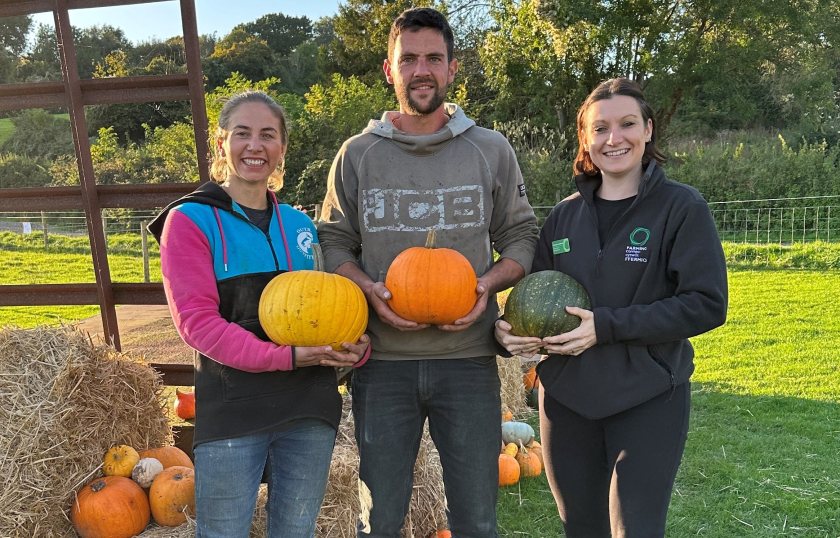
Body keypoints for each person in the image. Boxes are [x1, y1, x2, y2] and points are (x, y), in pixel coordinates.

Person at [317, 7, 539, 537]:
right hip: (381, 366)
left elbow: (521, 234)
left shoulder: (489, 150)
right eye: (409, 58)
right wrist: (369, 289)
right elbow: (333, 240)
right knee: (383, 517)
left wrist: (485, 286)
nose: (422, 70)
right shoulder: (357, 155)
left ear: (452, 69)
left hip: (468, 364)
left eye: (433, 59)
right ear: (389, 70)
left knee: (477, 518)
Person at [494, 78, 728, 537]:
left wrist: (607, 326)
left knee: (635, 529)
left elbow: (706, 304)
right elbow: (532, 297)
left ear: (648, 130)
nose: (613, 138)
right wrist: (504, 333)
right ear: (585, 138)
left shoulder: (680, 208)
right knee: (581, 527)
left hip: (647, 398)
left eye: (626, 124)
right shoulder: (563, 216)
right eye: (599, 128)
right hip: (565, 402)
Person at [147, 90, 370, 538]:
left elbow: (330, 310)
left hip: (309, 406)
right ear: (221, 144)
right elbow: (197, 324)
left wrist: (354, 349)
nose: (255, 146)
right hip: (234, 408)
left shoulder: (301, 227)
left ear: (282, 148)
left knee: (296, 531)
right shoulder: (190, 221)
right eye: (242, 133)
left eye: (268, 135)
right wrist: (285, 357)